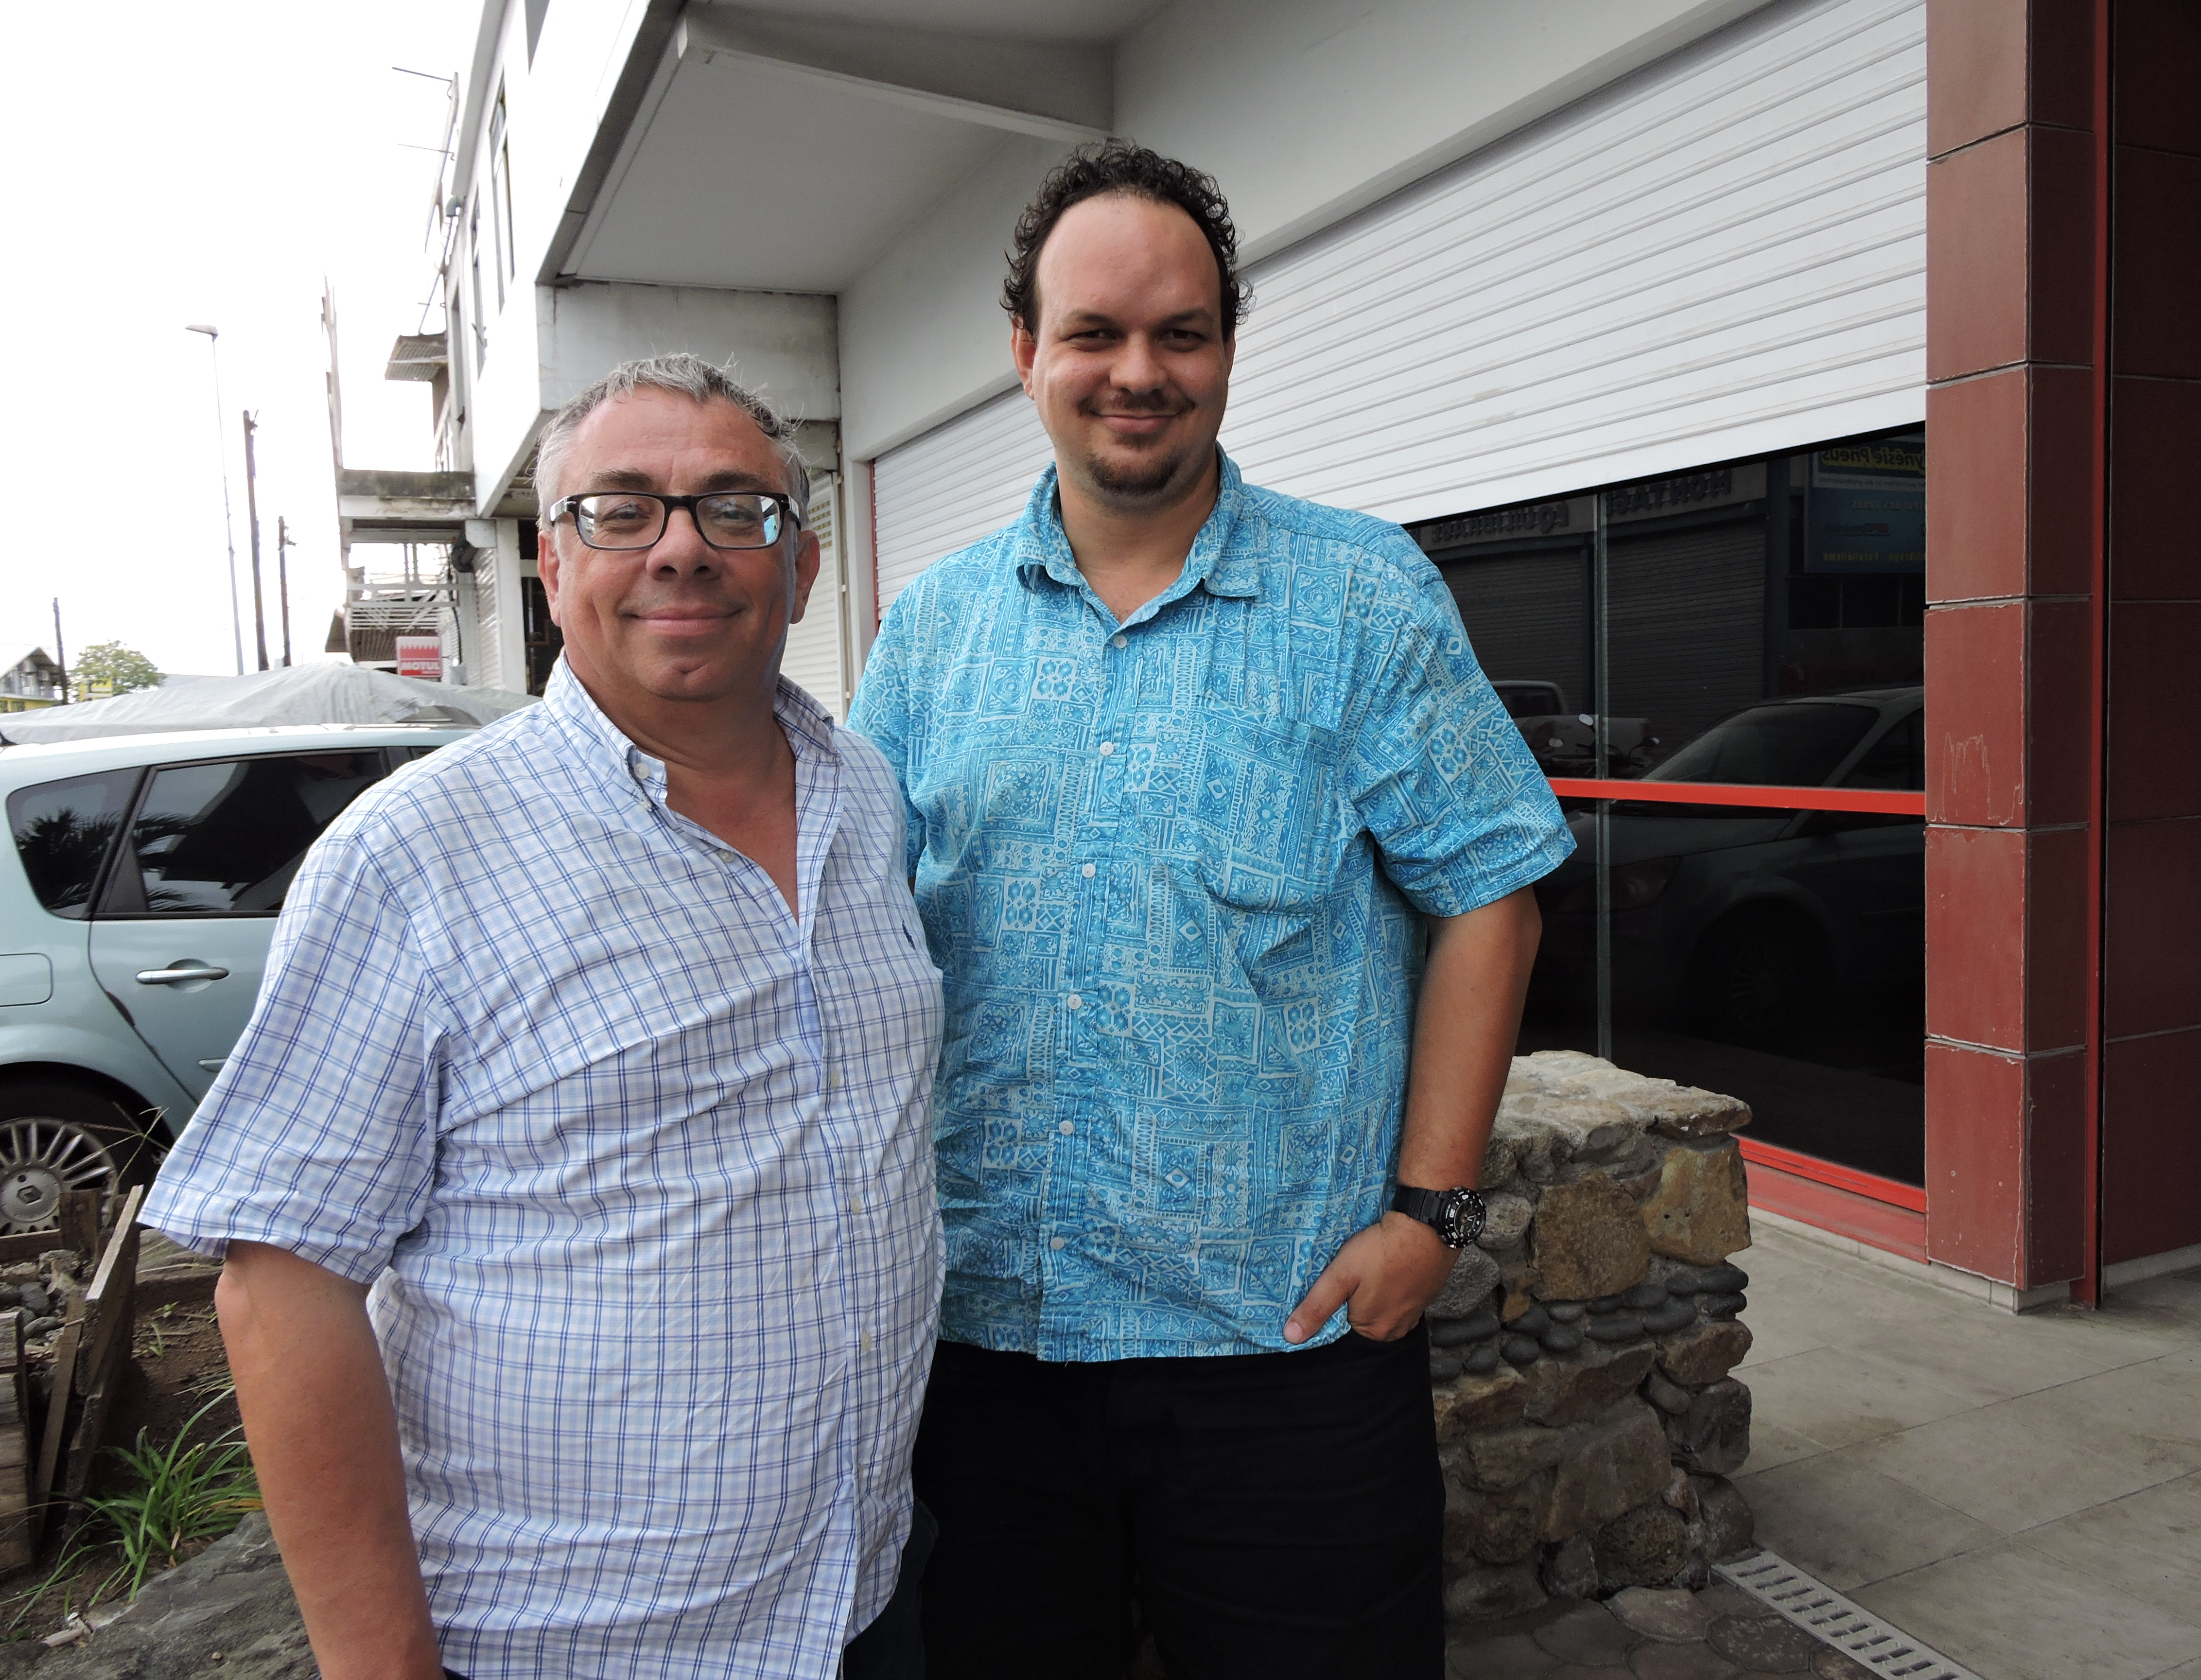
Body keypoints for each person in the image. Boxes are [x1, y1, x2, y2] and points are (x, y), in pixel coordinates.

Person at [848, 141, 1574, 1679]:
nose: (1139, 372)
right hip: (989, 1352)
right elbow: (862, 941)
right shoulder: (931, 631)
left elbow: (1491, 894)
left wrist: (1429, 1216)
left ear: (1228, 351)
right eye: (1096, 334)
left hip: (1287, 1350)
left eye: (1182, 332)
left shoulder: (1364, 598)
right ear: (1026, 355)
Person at [143, 355, 945, 1680]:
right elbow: (280, 1288)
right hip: (560, 1649)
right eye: (621, 510)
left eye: (735, 510)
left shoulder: (871, 802)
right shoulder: (411, 857)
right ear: (551, 566)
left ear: (800, 567)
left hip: (864, 1606)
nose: (681, 549)